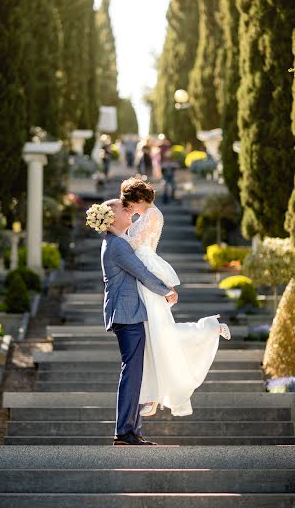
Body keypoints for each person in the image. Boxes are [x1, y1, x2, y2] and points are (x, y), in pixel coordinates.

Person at [119, 177, 231, 417]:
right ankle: (154, 394)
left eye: (129, 202)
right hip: (141, 272)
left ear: (139, 199)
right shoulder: (143, 215)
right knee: (153, 334)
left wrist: (110, 229)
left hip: (146, 271)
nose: (128, 207)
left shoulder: (153, 215)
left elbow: (134, 244)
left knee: (159, 332)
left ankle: (210, 328)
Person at [86, 199, 178, 446]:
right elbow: (141, 273)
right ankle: (124, 431)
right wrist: (166, 291)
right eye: (123, 209)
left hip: (128, 314)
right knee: (132, 372)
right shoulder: (117, 246)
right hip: (127, 315)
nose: (129, 212)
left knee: (136, 373)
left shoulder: (116, 242)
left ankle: (131, 430)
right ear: (112, 217)